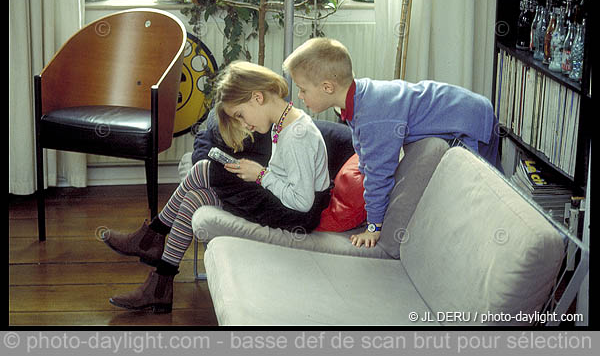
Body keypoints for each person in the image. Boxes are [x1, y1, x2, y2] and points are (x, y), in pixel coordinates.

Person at [102, 61, 331, 313]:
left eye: (241, 115)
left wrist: (260, 175)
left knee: (202, 170)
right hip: (281, 201)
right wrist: (257, 174)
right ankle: (161, 284)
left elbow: (302, 201)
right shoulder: (282, 123)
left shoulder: (297, 134)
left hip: (295, 214)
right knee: (196, 197)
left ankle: (153, 234)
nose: (245, 124)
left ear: (257, 97)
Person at [283, 37, 502, 249]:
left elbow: (379, 175)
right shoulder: (356, 99)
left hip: (471, 120)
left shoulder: (373, 116)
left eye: (303, 89)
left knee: (484, 195)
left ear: (327, 87)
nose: (300, 96)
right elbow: (364, 152)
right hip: (463, 112)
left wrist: (374, 226)